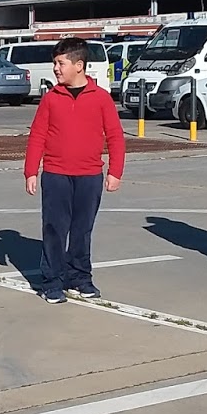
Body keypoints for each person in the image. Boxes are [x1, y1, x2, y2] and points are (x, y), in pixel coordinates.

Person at [22, 37, 125, 303]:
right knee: (55, 229)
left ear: (79, 65)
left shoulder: (101, 98)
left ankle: (80, 278)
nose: (56, 68)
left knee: (82, 230)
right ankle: (52, 282)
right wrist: (31, 170)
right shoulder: (51, 99)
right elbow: (37, 135)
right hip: (56, 175)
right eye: (55, 63)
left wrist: (115, 171)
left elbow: (115, 136)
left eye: (61, 63)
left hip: (89, 176)